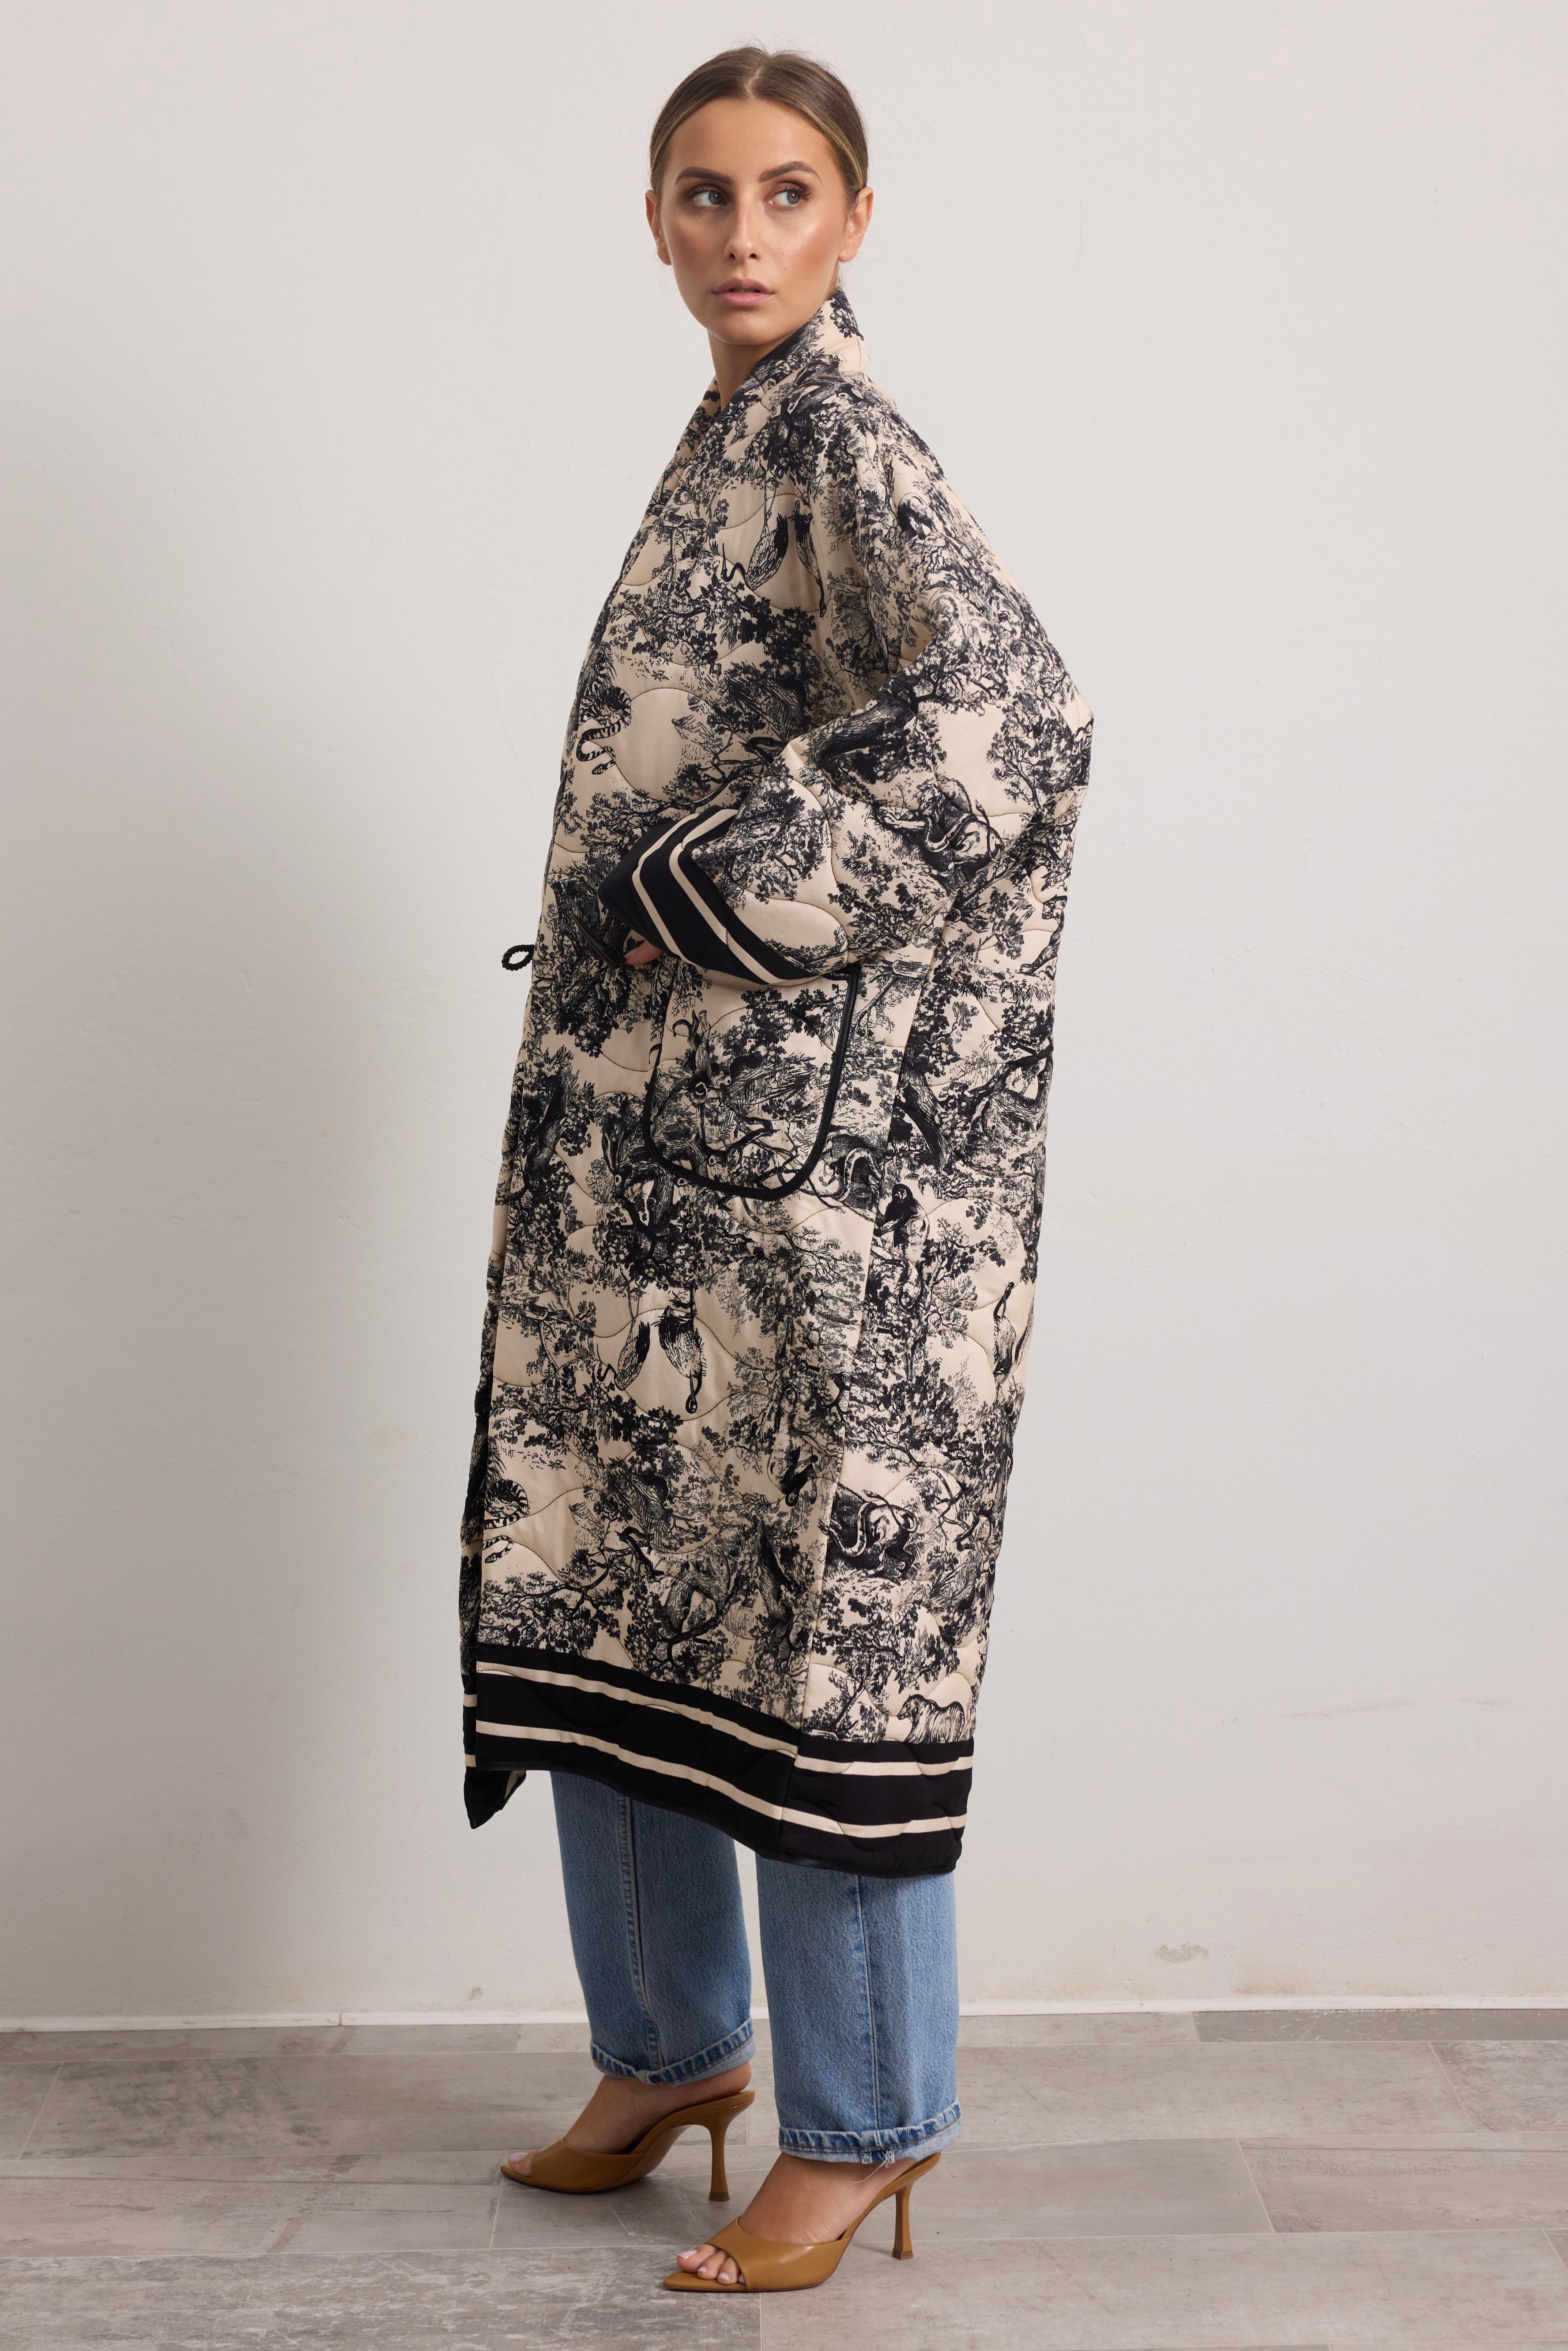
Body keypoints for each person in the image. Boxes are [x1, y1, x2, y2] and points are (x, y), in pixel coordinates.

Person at [460, 44, 1093, 2294]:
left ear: (854, 220)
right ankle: (670, 2053)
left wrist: (707, 885)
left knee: (829, 1631)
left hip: (839, 1209)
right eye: (707, 194)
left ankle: (863, 2125)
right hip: (670, 1179)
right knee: (622, 1581)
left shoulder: (841, 435)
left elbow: (1019, 716)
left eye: (790, 192)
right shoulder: (732, 432)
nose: (746, 234)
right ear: (653, 219)